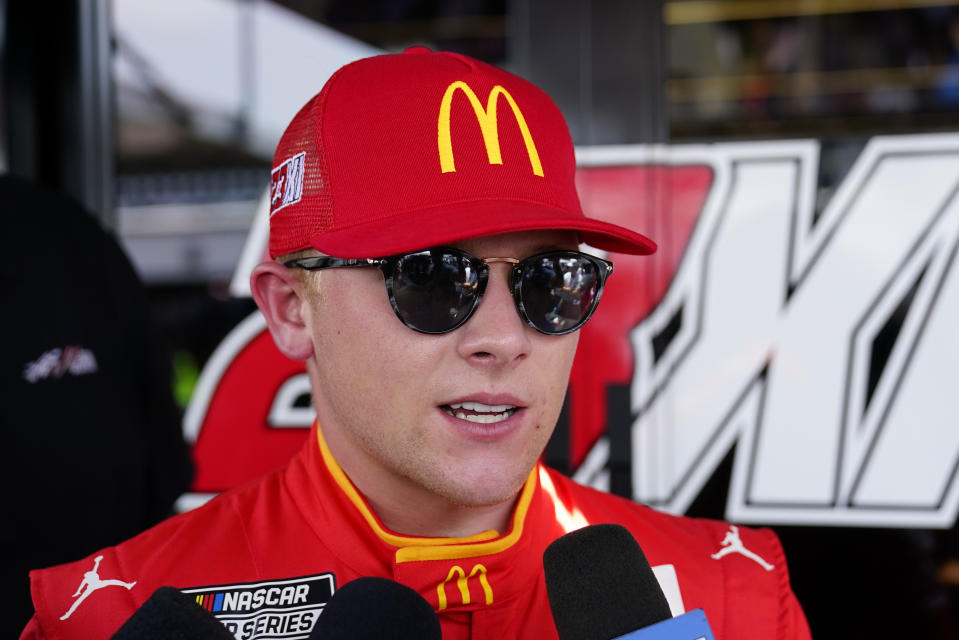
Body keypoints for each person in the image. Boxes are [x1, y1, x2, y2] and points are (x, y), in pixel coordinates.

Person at [21, 47, 810, 639]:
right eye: (432, 279)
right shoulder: (110, 613)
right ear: (292, 309)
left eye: (550, 282)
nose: (504, 337)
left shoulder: (730, 596)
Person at [0, 175, 194, 639]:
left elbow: (164, 458)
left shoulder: (59, 231)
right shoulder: (61, 226)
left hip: (107, 597)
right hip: (119, 601)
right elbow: (166, 461)